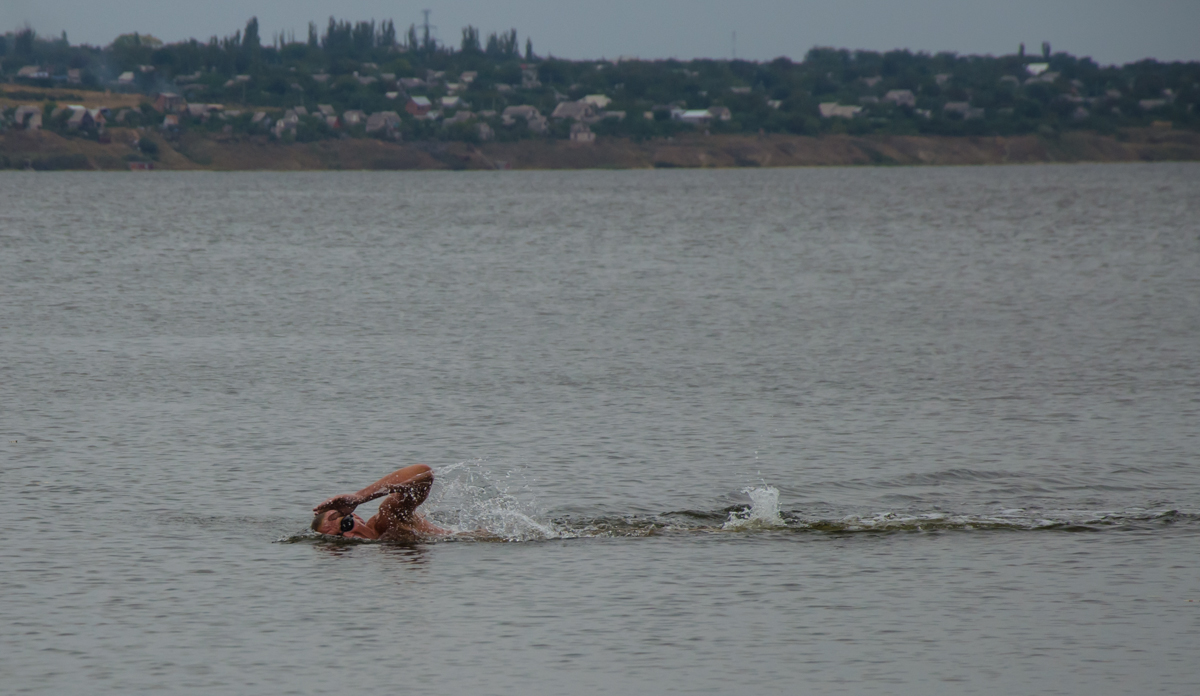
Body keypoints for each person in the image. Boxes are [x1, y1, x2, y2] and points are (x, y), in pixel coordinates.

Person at [311, 464, 447, 539]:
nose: (348, 535)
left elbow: (423, 472)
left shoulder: (387, 517)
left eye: (346, 525)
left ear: (357, 518)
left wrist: (360, 497)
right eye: (339, 538)